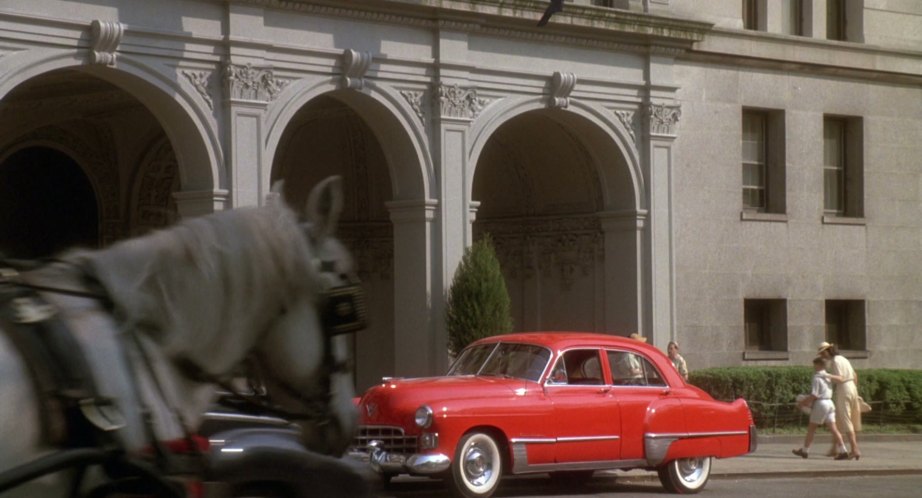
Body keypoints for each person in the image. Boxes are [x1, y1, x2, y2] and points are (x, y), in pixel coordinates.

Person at [792, 356, 849, 460]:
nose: (814, 367)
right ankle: (843, 450)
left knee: (811, 428)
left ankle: (805, 450)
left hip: (821, 403)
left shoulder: (817, 377)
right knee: (834, 428)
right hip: (830, 402)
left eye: (815, 364)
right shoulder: (828, 376)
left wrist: (803, 403)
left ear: (819, 365)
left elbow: (814, 395)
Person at [819, 341, 862, 459]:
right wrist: (855, 391)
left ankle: (854, 449)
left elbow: (841, 378)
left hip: (844, 389)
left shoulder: (835, 361)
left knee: (845, 419)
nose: (822, 356)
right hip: (852, 387)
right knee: (838, 420)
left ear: (828, 351)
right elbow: (855, 375)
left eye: (823, 353)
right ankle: (835, 448)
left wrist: (826, 375)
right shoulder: (843, 359)